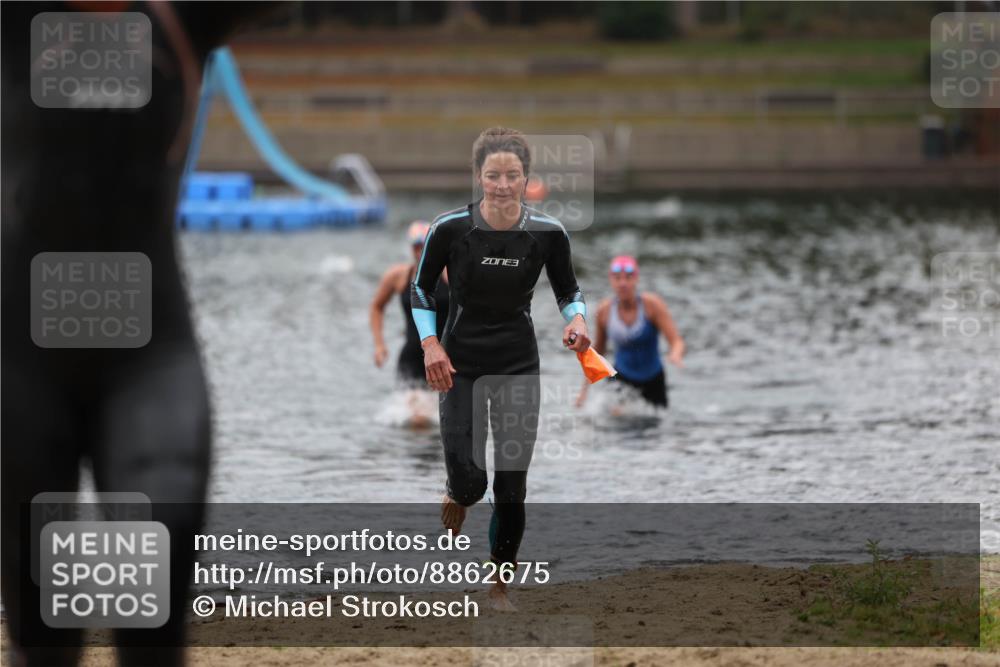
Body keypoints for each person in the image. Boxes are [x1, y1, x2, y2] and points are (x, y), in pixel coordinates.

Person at [1, 3, 278, 665]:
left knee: (154, 595)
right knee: (43, 637)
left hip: (148, 358)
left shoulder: (184, 16)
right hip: (20, 365)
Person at [410, 127, 590, 611]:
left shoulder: (548, 234)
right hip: (459, 365)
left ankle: (498, 586)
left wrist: (576, 322)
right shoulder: (450, 229)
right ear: (478, 177)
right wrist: (430, 345)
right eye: (493, 175)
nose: (503, 184)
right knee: (471, 484)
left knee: (511, 484)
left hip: (517, 363)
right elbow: (422, 290)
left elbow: (568, 291)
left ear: (527, 178)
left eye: (512, 175)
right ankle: (455, 489)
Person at [369, 221, 450, 427]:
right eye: (416, 246)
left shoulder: (450, 274)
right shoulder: (398, 276)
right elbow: (376, 307)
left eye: (425, 245)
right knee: (418, 421)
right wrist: (379, 344)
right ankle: (416, 460)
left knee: (448, 420)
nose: (421, 250)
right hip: (413, 356)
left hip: (448, 357)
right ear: (410, 247)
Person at [577, 255, 685, 410]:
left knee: (657, 426)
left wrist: (675, 354)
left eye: (628, 278)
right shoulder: (605, 311)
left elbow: (676, 341)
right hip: (622, 376)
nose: (623, 283)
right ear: (611, 280)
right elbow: (598, 352)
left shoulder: (652, 306)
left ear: (636, 279)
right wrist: (584, 391)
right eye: (617, 278)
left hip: (653, 379)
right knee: (617, 424)